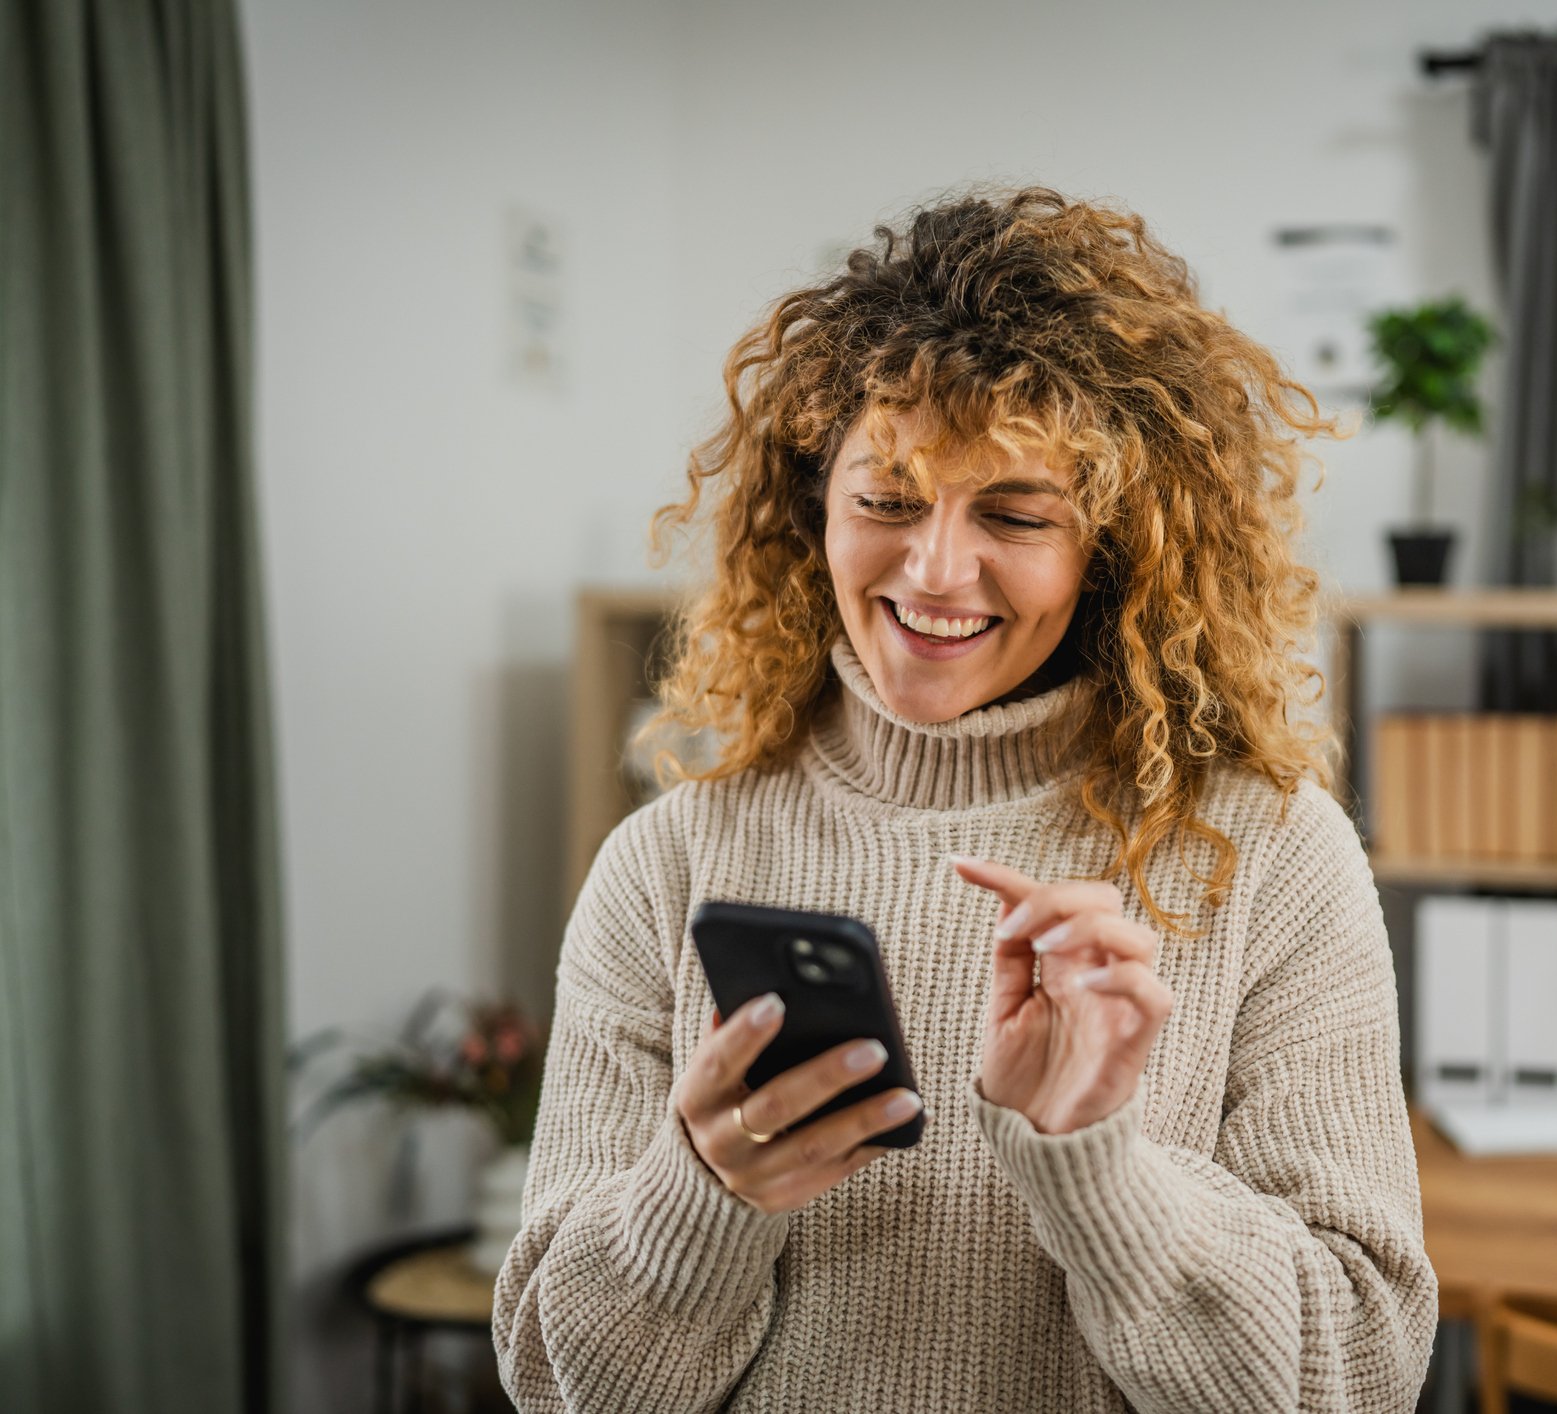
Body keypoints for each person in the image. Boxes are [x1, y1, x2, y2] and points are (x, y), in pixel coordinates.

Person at [491, 184, 1438, 1413]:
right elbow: (555, 1386)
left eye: (1015, 513)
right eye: (885, 500)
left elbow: (1360, 1375)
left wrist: (1100, 1171)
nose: (935, 571)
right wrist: (702, 1196)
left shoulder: (1274, 859)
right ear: (810, 503)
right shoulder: (666, 863)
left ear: (1115, 542)